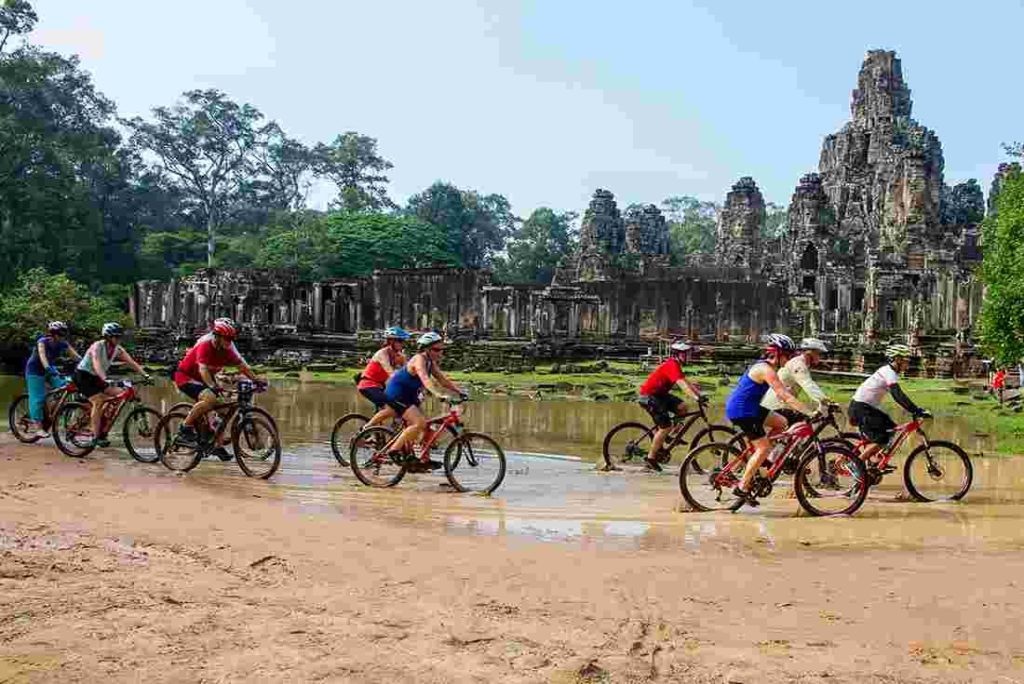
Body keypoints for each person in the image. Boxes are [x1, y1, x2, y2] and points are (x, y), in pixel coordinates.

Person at [724, 333, 817, 508]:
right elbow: (784, 395)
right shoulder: (765, 370)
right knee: (764, 447)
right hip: (743, 410)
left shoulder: (770, 368)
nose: (789, 360)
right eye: (788, 356)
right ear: (777, 353)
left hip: (752, 408)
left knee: (781, 422)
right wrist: (809, 412)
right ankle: (742, 487)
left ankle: (762, 459)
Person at [173, 318, 262, 458]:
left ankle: (216, 443)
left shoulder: (227, 350)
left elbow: (242, 366)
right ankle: (185, 429)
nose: (229, 342)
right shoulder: (205, 346)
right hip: (186, 377)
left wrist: (256, 380)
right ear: (217, 337)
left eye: (231, 339)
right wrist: (213, 386)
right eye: (226, 338)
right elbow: (203, 370)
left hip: (204, 381)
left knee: (226, 410)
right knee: (210, 398)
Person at [383, 332, 467, 472]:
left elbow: (442, 380)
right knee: (419, 423)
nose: (440, 353)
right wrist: (438, 394)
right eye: (436, 350)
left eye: (441, 349)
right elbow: (425, 379)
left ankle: (424, 459)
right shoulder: (419, 359)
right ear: (426, 349)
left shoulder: (430, 362)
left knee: (429, 427)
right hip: (397, 394)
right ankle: (394, 451)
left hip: (410, 396)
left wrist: (460, 391)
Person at [848, 343, 930, 471]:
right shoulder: (888, 372)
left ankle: (880, 460)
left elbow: (898, 395)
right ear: (897, 359)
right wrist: (916, 410)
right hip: (861, 409)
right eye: (906, 360)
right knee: (882, 439)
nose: (908, 364)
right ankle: (855, 465)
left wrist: (914, 409)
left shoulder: (891, 373)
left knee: (892, 428)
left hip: (864, 408)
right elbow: (897, 395)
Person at [73, 322, 150, 447]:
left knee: (121, 394)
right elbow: (96, 363)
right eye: (116, 337)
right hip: (84, 376)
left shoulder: (118, 350)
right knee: (98, 401)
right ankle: (95, 435)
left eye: (120, 337)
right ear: (107, 337)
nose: (118, 339)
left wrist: (145, 375)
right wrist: (105, 378)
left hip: (98, 378)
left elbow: (131, 362)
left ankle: (103, 424)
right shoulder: (97, 346)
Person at [636, 339, 706, 472]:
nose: (690, 356)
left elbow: (687, 382)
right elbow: (682, 384)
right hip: (650, 396)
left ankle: (670, 436)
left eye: (689, 353)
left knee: (683, 408)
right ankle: (650, 458)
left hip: (660, 395)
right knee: (665, 427)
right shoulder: (671, 365)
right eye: (687, 353)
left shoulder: (676, 365)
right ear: (678, 354)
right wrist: (696, 397)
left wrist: (700, 395)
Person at [23, 321, 80, 438]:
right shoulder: (42, 342)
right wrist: (49, 369)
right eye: (60, 334)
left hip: (50, 368)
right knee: (38, 398)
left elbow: (76, 357)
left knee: (65, 386)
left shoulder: (63, 343)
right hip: (35, 370)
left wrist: (86, 365)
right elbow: (42, 356)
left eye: (64, 334)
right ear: (53, 334)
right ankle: (38, 427)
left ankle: (53, 408)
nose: (62, 337)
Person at [761, 337, 832, 424]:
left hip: (783, 404)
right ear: (810, 353)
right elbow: (808, 384)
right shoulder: (798, 365)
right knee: (802, 423)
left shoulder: (803, 364)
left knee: (796, 428)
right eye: (818, 354)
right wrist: (823, 399)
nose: (820, 357)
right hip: (777, 404)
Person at [359, 326, 411, 427]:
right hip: (368, 385)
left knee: (401, 404)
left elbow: (409, 371)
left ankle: (382, 434)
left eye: (403, 341)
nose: (402, 344)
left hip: (381, 386)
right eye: (400, 341)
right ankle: (364, 430)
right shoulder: (382, 354)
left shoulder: (399, 356)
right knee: (391, 408)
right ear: (391, 341)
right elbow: (391, 373)